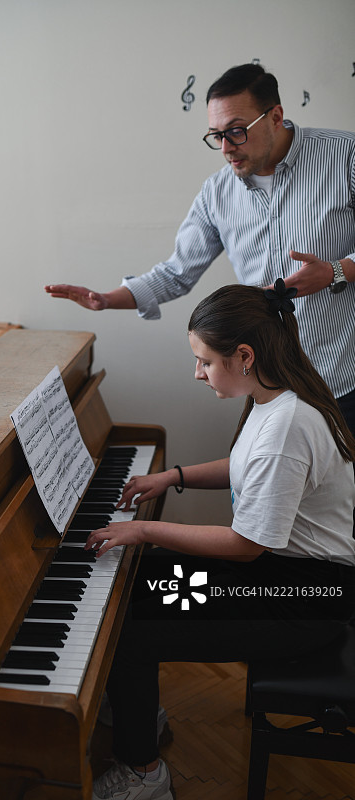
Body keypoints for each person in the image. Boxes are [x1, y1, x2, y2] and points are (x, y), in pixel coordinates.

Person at [85, 279, 355, 800]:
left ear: (245, 356)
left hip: (302, 599)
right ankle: (139, 710)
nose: (198, 372)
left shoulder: (287, 428)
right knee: (135, 582)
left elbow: (245, 545)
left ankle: (143, 773)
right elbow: (244, 466)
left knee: (131, 631)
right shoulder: (276, 399)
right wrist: (174, 477)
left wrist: (141, 529)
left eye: (205, 361)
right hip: (280, 575)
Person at [44, 63, 355, 436]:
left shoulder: (344, 156)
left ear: (275, 117)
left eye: (236, 132)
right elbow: (177, 272)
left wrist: (336, 271)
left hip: (342, 379)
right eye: (216, 135)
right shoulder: (216, 192)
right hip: (267, 387)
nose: (225, 148)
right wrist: (108, 299)